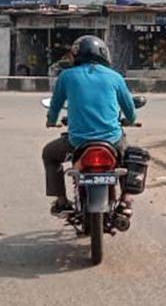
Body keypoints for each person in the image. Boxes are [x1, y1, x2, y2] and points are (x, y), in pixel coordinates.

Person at [42, 36, 137, 214]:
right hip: (112, 140)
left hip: (77, 141)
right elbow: (130, 110)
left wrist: (51, 121)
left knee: (49, 154)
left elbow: (54, 107)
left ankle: (61, 200)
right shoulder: (115, 77)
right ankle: (126, 199)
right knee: (131, 158)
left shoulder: (66, 76)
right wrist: (131, 120)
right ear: (103, 54)